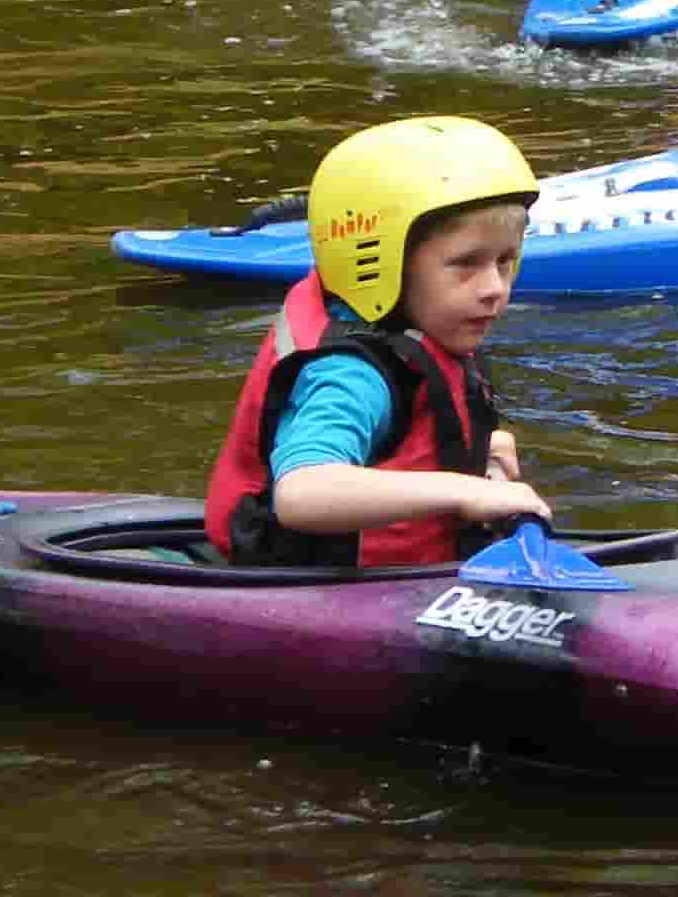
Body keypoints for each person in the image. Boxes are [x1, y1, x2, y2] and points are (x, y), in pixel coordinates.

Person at [203, 115, 550, 570]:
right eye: (466, 263)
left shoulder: (424, 324)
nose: (495, 287)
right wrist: (470, 490)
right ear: (382, 260)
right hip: (308, 591)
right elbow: (302, 491)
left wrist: (477, 452)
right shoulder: (352, 374)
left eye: (505, 260)